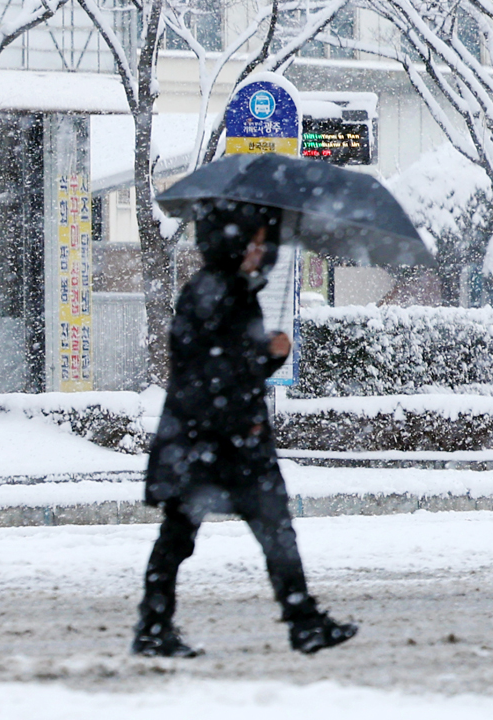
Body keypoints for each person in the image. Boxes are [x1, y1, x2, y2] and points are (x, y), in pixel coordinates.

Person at [133, 200, 357, 657]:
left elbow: (223, 367)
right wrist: (265, 354)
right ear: (230, 241)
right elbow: (213, 371)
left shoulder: (226, 289)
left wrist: (264, 355)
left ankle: (157, 627)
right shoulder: (216, 292)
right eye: (252, 241)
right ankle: (300, 621)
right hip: (222, 439)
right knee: (245, 531)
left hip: (207, 438)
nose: (259, 250)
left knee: (189, 535)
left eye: (262, 242)